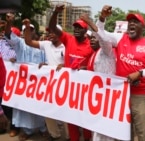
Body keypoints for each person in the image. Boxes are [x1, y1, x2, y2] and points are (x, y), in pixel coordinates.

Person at [95, 5, 145, 141]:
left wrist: (140, 73)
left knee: (142, 132)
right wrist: (102, 18)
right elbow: (101, 34)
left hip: (140, 96)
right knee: (123, 131)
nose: (131, 23)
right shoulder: (120, 38)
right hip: (121, 94)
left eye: (135, 21)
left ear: (142, 27)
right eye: (129, 21)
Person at [49, 4, 95, 141]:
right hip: (70, 87)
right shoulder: (68, 39)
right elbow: (52, 28)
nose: (76, 29)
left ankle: (87, 138)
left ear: (85, 31)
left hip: (86, 88)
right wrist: (56, 12)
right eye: (75, 27)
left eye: (79, 28)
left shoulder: (91, 44)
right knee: (71, 117)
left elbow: (96, 64)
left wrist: (88, 69)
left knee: (85, 117)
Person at [5, 13, 50, 141]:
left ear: (34, 32)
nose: (28, 32)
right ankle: (27, 130)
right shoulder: (19, 43)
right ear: (22, 33)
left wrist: (45, 65)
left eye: (30, 30)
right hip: (23, 81)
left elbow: (47, 62)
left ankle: (42, 129)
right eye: (25, 30)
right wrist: (9, 23)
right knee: (23, 106)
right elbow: (8, 35)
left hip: (38, 82)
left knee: (39, 105)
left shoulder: (41, 46)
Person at [23, 18, 70, 140]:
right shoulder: (46, 44)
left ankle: (70, 136)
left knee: (66, 111)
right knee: (48, 110)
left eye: (54, 32)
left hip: (64, 84)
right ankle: (54, 134)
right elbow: (28, 41)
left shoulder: (67, 46)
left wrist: (65, 66)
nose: (50, 34)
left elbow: (73, 63)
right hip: (49, 83)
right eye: (49, 32)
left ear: (60, 34)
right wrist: (27, 27)